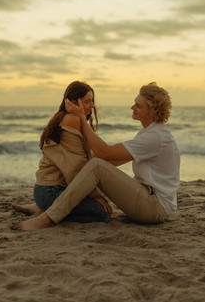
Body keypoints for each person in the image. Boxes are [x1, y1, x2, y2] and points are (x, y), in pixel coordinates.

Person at [19, 82, 180, 231]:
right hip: (147, 197)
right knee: (95, 165)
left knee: (96, 165)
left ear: (151, 110)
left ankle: (48, 218)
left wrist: (82, 117)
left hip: (153, 207)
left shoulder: (155, 137)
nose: (132, 107)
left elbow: (104, 153)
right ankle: (47, 204)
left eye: (138, 106)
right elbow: (112, 160)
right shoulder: (149, 133)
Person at [13, 81, 112, 226]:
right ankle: (46, 211)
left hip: (47, 189)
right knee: (103, 214)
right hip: (52, 191)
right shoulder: (72, 119)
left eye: (92, 101)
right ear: (73, 102)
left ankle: (41, 207)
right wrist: (95, 195)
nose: (92, 106)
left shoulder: (63, 117)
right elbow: (75, 166)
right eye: (87, 101)